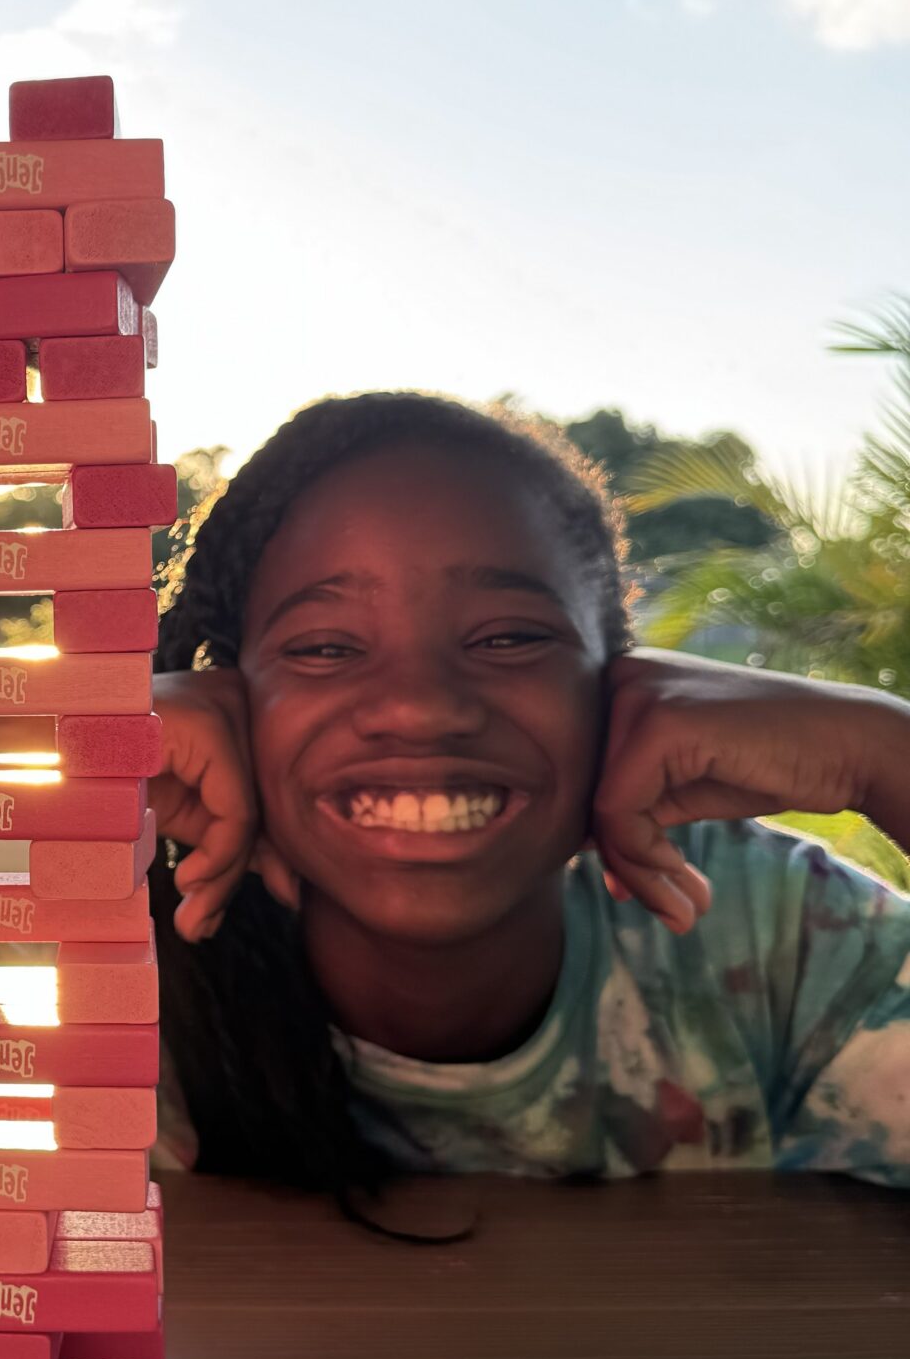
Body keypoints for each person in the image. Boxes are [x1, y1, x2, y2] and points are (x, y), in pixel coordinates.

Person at [150, 391, 910, 1193]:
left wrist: (884, 753)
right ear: (227, 698)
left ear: (618, 686)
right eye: (326, 647)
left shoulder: (772, 926)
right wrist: (30, 751)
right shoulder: (133, 977)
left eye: (509, 637)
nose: (422, 707)